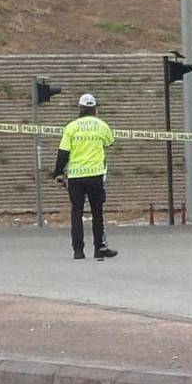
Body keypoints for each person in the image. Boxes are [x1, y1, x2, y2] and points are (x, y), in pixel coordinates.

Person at [53, 92, 118, 260]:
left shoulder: (71, 127)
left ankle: (78, 250)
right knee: (98, 212)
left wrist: (58, 172)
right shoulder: (101, 125)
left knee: (77, 212)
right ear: (94, 108)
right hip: (95, 175)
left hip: (75, 176)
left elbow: (63, 152)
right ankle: (99, 247)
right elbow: (110, 142)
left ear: (80, 108)